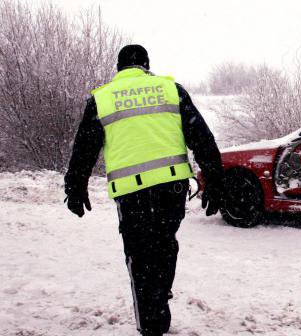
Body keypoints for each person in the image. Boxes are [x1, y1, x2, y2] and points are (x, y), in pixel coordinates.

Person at [64, 44, 224, 336]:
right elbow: (201, 137)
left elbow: (84, 149)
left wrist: (75, 187)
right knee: (165, 244)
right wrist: (215, 181)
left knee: (139, 256)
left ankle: (151, 323)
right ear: (147, 66)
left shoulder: (102, 98)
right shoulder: (171, 90)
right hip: (171, 188)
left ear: (118, 68)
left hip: (131, 194)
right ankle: (159, 295)